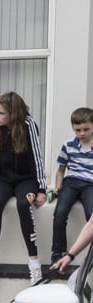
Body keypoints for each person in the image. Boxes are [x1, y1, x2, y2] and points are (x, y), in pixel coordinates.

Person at [0, 91, 47, 286]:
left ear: (13, 114)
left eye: (1, 113)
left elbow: (36, 157)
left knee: (24, 203)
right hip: (4, 179)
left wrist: (41, 189)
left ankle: (34, 261)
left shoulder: (28, 125)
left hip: (26, 179)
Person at [51, 107, 93, 265]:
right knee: (60, 213)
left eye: (86, 129)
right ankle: (57, 253)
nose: (82, 133)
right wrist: (57, 188)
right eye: (78, 130)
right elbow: (61, 170)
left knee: (91, 215)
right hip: (71, 181)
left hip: (90, 183)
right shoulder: (68, 145)